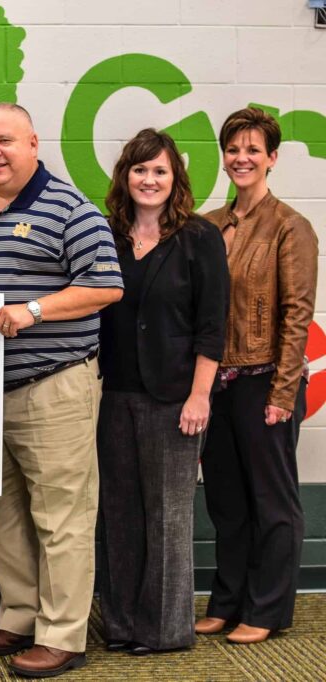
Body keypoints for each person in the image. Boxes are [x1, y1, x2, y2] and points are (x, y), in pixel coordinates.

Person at [0, 103, 122, 678]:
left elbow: (106, 286)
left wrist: (35, 310)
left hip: (53, 385)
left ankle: (63, 635)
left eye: (4, 140)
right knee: (0, 515)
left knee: (62, 516)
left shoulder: (72, 209)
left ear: (32, 142)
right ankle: (20, 615)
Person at [97, 129, 229, 655]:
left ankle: (164, 630)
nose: (148, 180)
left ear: (175, 179)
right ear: (124, 176)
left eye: (159, 171)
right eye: (139, 169)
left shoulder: (199, 237)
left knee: (168, 517)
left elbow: (213, 325)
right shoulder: (106, 234)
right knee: (119, 513)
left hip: (174, 398)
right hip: (112, 395)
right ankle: (122, 623)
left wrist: (201, 396)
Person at [197, 107, 318, 645]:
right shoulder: (209, 225)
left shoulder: (291, 226)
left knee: (272, 502)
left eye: (252, 150)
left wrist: (283, 392)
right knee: (226, 501)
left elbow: (297, 314)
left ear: (272, 158)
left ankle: (266, 610)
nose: (241, 158)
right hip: (217, 383)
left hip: (266, 381)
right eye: (233, 149)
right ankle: (227, 602)